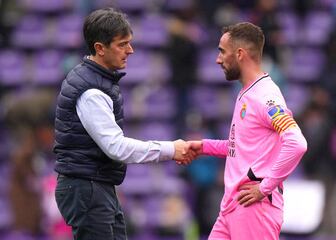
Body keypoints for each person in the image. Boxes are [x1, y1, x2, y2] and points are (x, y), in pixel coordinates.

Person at [53, 8, 193, 240]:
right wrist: (170, 149)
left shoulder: (96, 80)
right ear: (99, 48)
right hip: (87, 187)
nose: (131, 50)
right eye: (122, 44)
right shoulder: (91, 92)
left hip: (96, 184)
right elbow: (116, 148)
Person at [188, 22, 307, 240]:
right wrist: (203, 146)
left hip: (254, 207)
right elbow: (241, 147)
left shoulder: (265, 97)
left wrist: (265, 187)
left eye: (222, 52)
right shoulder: (247, 92)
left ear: (240, 54)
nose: (218, 59)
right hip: (232, 205)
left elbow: (297, 142)